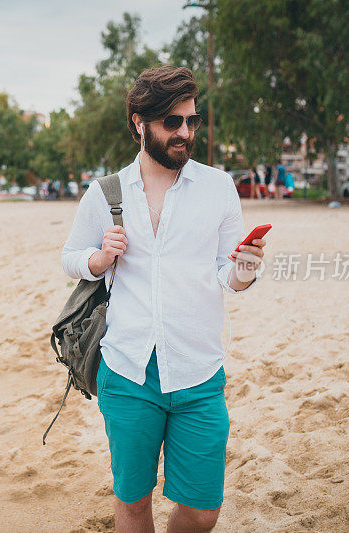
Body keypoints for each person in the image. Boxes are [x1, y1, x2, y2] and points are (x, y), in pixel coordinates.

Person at [62, 65, 267, 533]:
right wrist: (98, 259)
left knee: (202, 510)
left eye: (191, 121)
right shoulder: (105, 193)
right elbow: (71, 257)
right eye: (171, 122)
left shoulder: (217, 187)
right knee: (133, 503)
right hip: (128, 370)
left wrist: (246, 267)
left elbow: (229, 275)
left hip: (199, 372)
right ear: (139, 123)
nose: (184, 132)